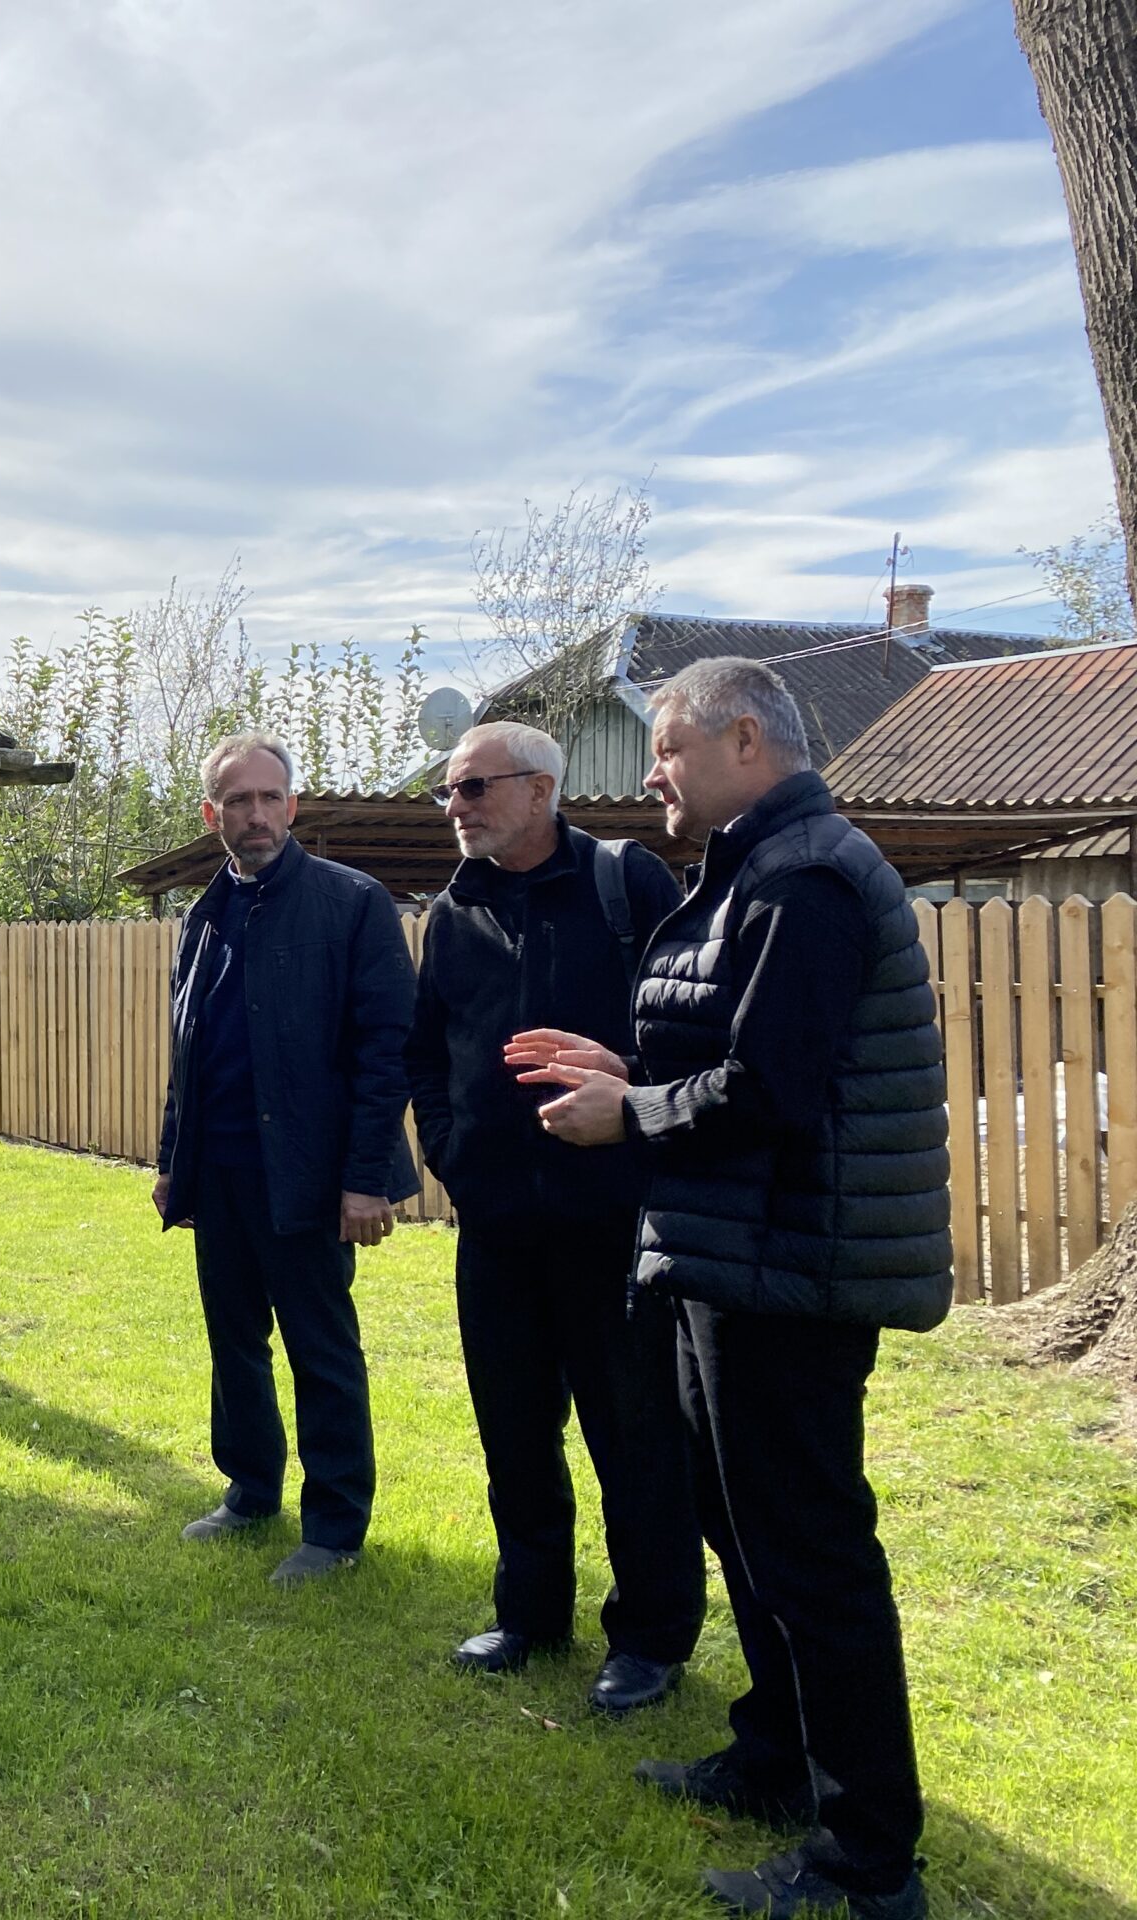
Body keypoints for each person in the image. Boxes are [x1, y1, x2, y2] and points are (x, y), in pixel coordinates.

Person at [513, 657, 949, 1920]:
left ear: (743, 740)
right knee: (745, 1533)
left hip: (789, 1271)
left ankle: (867, 1863)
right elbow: (732, 1045)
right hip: (730, 1254)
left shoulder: (805, 876)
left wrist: (626, 1112)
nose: (649, 773)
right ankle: (772, 1763)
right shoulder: (756, 866)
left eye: (664, 747)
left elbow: (770, 1089)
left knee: (811, 1559)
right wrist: (630, 1062)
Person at [405, 722, 703, 1716]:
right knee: (515, 1435)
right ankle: (530, 1616)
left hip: (610, 1224)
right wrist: (453, 1155)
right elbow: (426, 1051)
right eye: (450, 792)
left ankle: (651, 1638)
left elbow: (689, 1040)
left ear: (539, 791)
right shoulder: (454, 915)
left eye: (474, 788)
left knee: (635, 1437)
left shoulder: (628, 888)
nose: (457, 807)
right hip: (495, 1229)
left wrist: (631, 1114)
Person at [153, 731, 418, 1587]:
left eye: (270, 798)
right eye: (238, 801)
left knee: (321, 1349)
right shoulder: (202, 916)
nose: (255, 814)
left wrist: (365, 1178)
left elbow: (387, 1052)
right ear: (211, 815)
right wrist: (172, 1161)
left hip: (307, 1172)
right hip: (221, 1171)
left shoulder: (352, 904)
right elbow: (189, 1052)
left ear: (293, 806)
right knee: (234, 1341)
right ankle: (250, 1491)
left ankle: (335, 1527)